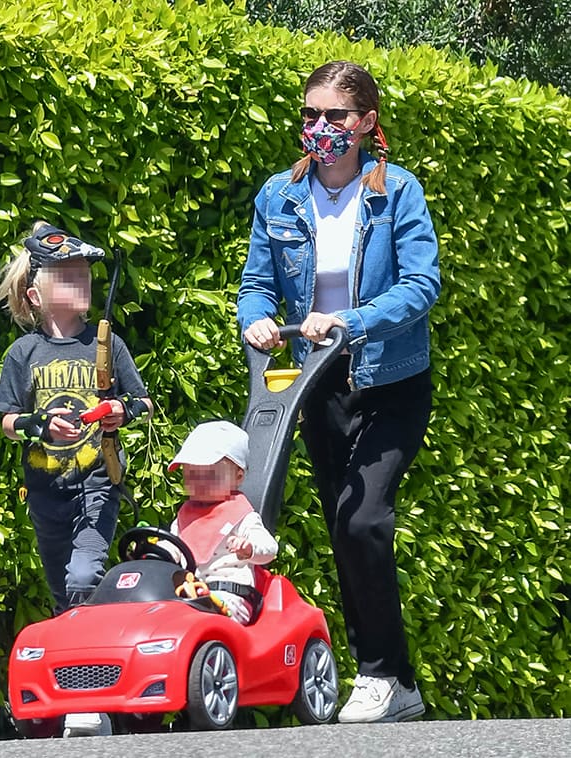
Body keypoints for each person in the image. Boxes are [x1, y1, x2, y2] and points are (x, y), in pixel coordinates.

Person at [237, 61, 440, 723]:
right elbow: (256, 285)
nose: (320, 128)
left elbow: (421, 286)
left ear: (366, 123)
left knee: (364, 517)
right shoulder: (280, 195)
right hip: (317, 386)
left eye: (335, 116)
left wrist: (348, 321)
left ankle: (380, 672)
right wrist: (257, 320)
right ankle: (394, 680)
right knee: (342, 530)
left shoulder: (395, 194)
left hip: (391, 384)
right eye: (309, 115)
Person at [0, 221, 154, 737]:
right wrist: (36, 424)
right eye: (68, 276)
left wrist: (119, 412)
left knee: (85, 578)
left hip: (95, 485)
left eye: (85, 274)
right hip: (46, 491)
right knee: (64, 596)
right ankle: (89, 689)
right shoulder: (24, 355)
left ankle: (89, 703)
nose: (81, 282)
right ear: (37, 295)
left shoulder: (107, 345)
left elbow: (144, 401)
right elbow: (6, 420)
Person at [165, 420, 278, 624]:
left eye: (209, 475)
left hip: (232, 596)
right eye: (191, 475)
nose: (199, 483)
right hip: (189, 592)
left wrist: (250, 548)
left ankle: (213, 608)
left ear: (238, 476)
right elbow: (174, 547)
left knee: (206, 607)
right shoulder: (185, 516)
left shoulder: (242, 515)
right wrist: (156, 550)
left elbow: (270, 548)